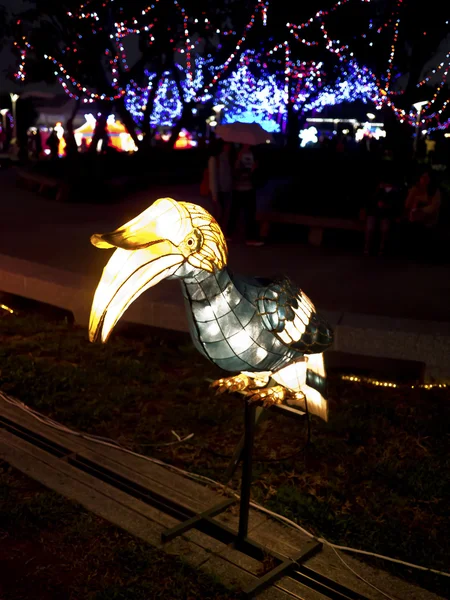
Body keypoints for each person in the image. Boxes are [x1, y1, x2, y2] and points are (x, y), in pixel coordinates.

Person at [227, 143, 263, 246]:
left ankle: (250, 237)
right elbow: (235, 171)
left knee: (250, 213)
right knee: (235, 212)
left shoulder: (252, 154)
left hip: (249, 187)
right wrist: (240, 163)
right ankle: (229, 234)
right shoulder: (238, 154)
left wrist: (254, 169)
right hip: (238, 188)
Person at [363, 176, 404, 256]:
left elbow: (395, 205)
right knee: (370, 228)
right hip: (373, 213)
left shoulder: (394, 192)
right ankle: (367, 247)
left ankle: (382, 249)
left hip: (386, 214)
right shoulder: (377, 190)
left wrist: (386, 206)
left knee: (385, 229)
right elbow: (371, 201)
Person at [208, 139, 233, 227]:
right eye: (226, 145)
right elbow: (213, 177)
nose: (228, 147)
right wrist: (214, 194)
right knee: (220, 213)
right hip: (219, 190)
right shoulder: (215, 159)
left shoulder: (228, 158)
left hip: (226, 189)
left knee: (225, 212)